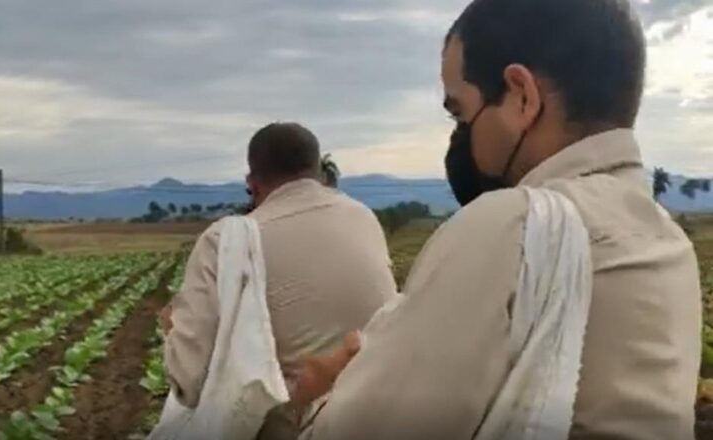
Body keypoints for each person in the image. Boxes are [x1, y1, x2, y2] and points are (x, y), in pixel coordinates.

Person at [293, 0, 703, 439]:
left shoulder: (516, 224)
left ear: (521, 95)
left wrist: (318, 395)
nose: (459, 135)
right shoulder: (668, 240)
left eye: (460, 112)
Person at [160, 122, 397, 439]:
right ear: (319, 172)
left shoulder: (224, 241)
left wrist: (172, 332)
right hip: (379, 418)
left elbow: (190, 383)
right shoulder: (364, 218)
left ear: (252, 184)